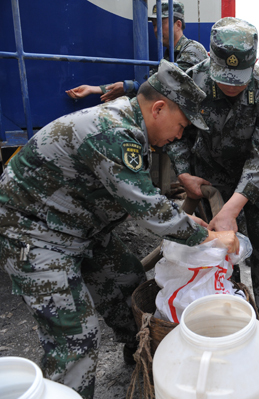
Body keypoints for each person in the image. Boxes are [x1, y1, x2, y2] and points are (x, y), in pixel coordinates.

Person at [0, 60, 238, 399]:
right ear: (158, 108)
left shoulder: (128, 127)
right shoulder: (112, 132)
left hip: (77, 226)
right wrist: (211, 237)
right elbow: (149, 212)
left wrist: (184, 221)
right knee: (74, 335)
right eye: (182, 125)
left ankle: (141, 351)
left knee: (127, 278)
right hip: (34, 232)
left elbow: (137, 192)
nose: (179, 136)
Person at [166, 17, 259, 326]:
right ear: (210, 59)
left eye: (239, 79)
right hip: (211, 179)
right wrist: (183, 174)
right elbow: (177, 135)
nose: (232, 85)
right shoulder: (191, 82)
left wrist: (233, 207)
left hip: (258, 187)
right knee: (219, 248)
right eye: (224, 77)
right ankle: (230, 311)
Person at [66, 1, 208, 102]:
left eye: (161, 23)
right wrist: (95, 89)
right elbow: (147, 81)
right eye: (153, 25)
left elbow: (168, 81)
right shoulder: (166, 55)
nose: (156, 30)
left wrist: (130, 86)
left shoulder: (192, 49)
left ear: (178, 25)